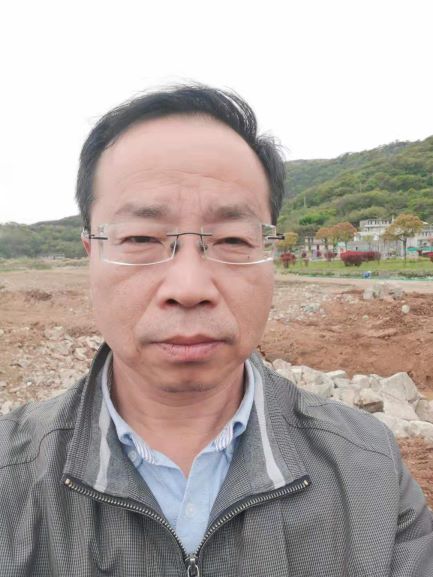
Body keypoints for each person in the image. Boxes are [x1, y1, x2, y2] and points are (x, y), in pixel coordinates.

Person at [1, 85, 432, 577]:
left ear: (269, 253)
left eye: (231, 239)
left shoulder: (369, 471)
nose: (189, 287)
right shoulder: (10, 479)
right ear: (91, 254)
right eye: (141, 238)